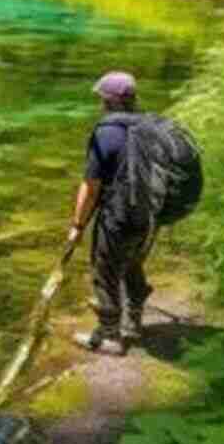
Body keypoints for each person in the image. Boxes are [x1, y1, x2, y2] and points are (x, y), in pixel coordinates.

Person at [65, 71, 156, 356]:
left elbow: (91, 187)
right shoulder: (150, 127)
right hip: (150, 212)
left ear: (107, 101)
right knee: (131, 258)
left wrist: (78, 225)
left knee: (104, 269)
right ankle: (135, 313)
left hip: (118, 215)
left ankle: (110, 336)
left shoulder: (105, 133)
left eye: (101, 98)